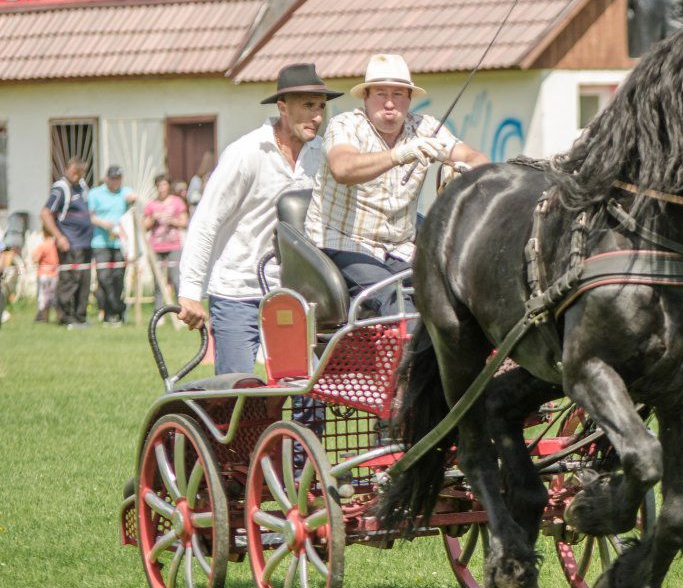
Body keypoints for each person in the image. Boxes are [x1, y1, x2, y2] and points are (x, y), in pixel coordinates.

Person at [177, 63, 342, 374]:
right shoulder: (247, 152)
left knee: (305, 390)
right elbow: (206, 222)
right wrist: (190, 291)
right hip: (238, 291)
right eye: (308, 106)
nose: (317, 116)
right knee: (238, 389)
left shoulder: (322, 155)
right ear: (283, 107)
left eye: (321, 107)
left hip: (295, 294)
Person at [305, 53, 489, 316]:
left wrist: (463, 171)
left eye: (399, 94)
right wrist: (399, 155)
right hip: (342, 243)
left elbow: (475, 158)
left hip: (399, 248)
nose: (390, 103)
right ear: (366, 97)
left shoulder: (425, 127)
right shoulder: (345, 125)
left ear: (410, 99)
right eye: (381, 94)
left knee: (451, 292)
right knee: (396, 302)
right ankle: (409, 343)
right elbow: (343, 168)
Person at [40, 157, 93, 329]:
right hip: (70, 243)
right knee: (70, 281)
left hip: (85, 243)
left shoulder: (82, 186)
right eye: (73, 171)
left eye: (78, 172)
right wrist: (59, 237)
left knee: (84, 282)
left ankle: (80, 317)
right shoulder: (60, 189)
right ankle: (65, 318)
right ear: (68, 169)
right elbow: (45, 213)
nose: (75, 175)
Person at [88, 165, 138, 325]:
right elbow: (90, 216)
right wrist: (104, 224)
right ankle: (116, 308)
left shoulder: (125, 191)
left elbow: (133, 197)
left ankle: (112, 314)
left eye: (119, 179)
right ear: (107, 178)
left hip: (120, 243)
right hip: (100, 242)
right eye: (114, 178)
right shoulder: (95, 193)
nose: (116, 182)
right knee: (103, 277)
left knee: (118, 278)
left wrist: (132, 199)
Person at [143, 173, 189, 310]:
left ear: (168, 186)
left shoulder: (177, 202)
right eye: (159, 185)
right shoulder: (151, 204)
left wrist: (172, 221)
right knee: (158, 282)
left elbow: (184, 222)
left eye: (164, 184)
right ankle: (158, 312)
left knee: (176, 279)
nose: (161, 188)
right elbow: (144, 226)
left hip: (174, 246)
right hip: (156, 247)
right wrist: (153, 218)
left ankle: (181, 311)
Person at [32, 226, 59, 322]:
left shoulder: (43, 245)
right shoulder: (55, 245)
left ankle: (43, 318)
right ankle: (58, 317)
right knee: (54, 297)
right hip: (55, 275)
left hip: (43, 275)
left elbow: (35, 259)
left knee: (43, 297)